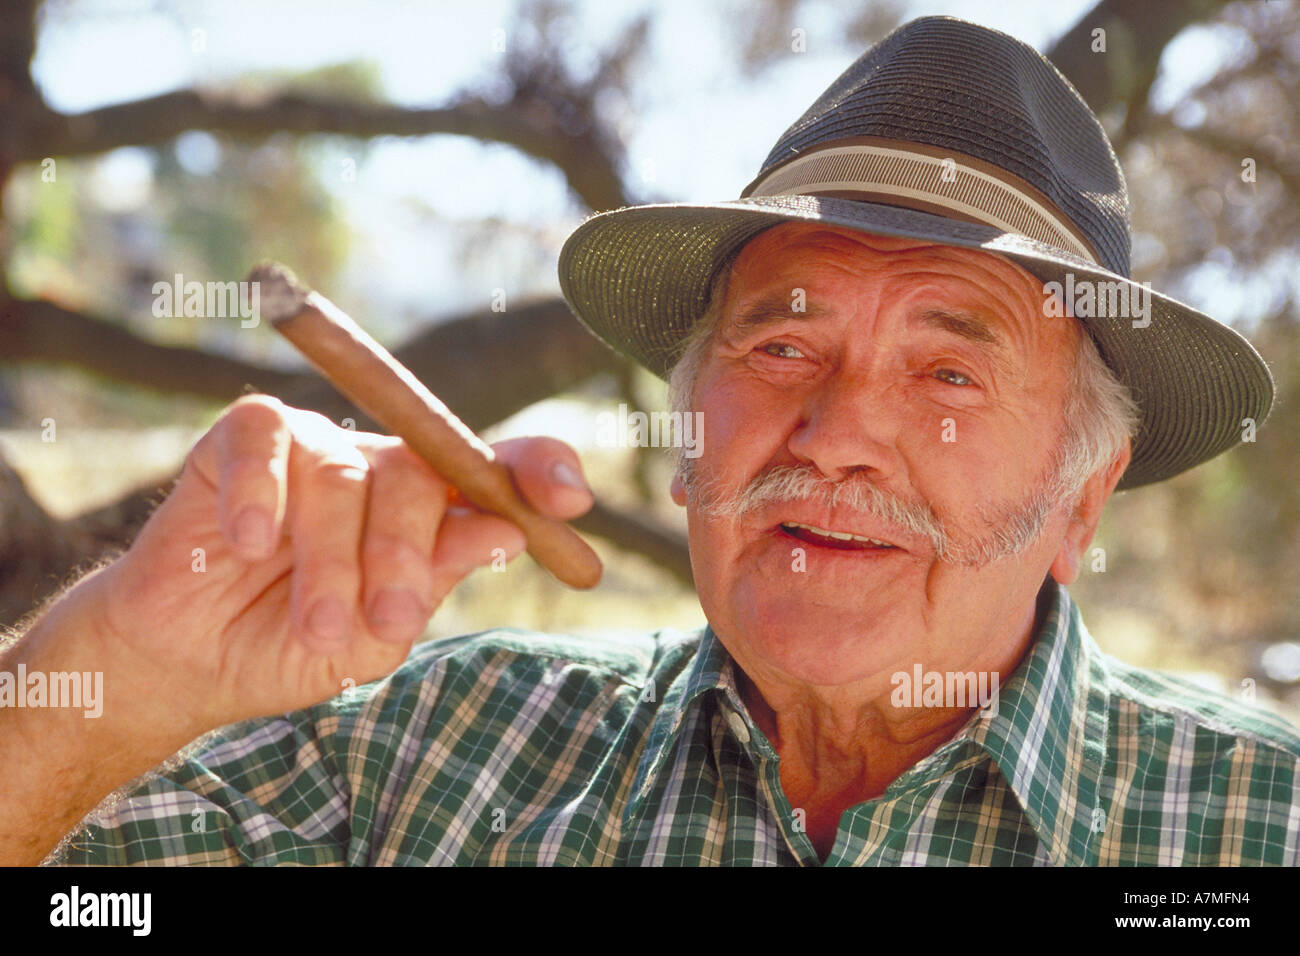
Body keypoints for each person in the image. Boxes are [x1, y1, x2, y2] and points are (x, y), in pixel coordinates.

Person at [3, 16, 1295, 867]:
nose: (837, 435)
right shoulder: (421, 761)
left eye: (950, 371)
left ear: (1084, 497)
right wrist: (121, 667)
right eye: (780, 346)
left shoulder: (1257, 827)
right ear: (689, 439)